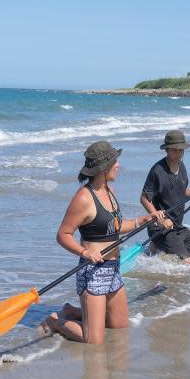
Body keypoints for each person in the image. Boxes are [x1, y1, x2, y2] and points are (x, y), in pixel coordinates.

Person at [43, 141, 164, 344]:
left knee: (118, 325)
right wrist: (85, 253)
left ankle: (72, 310)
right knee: (93, 339)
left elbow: (114, 227)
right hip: (93, 271)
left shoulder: (110, 191)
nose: (118, 165)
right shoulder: (83, 198)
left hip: (114, 268)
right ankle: (55, 320)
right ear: (103, 168)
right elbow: (63, 234)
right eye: (115, 161)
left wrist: (142, 220)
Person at [141, 130, 190, 264]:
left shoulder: (182, 167)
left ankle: (156, 247)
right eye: (175, 150)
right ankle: (157, 243)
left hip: (177, 225)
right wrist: (159, 219)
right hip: (160, 228)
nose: (179, 154)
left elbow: (181, 192)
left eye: (181, 150)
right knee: (188, 262)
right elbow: (143, 198)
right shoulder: (157, 171)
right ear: (167, 150)